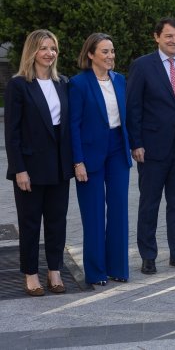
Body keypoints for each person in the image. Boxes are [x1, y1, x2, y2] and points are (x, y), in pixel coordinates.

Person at [126, 18, 175, 275]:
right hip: (151, 147)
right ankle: (148, 255)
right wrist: (135, 142)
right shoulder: (142, 65)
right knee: (149, 203)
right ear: (156, 37)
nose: (174, 41)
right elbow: (133, 107)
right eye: (169, 36)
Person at [5, 30, 72, 296]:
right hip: (30, 167)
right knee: (30, 222)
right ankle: (31, 274)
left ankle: (54, 270)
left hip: (58, 165)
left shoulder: (63, 82)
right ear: (32, 51)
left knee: (57, 221)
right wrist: (19, 168)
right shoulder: (19, 85)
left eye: (53, 48)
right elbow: (12, 132)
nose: (49, 53)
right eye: (43, 48)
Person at [69, 33, 131, 285]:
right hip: (90, 155)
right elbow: (72, 125)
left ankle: (118, 268)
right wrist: (78, 161)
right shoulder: (78, 83)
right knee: (93, 213)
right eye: (104, 51)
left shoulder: (120, 80)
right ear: (91, 54)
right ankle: (95, 272)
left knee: (118, 210)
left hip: (117, 149)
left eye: (112, 51)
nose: (110, 56)